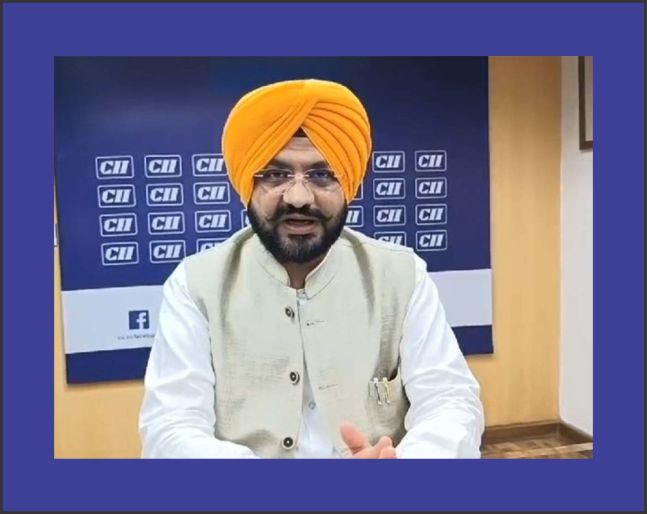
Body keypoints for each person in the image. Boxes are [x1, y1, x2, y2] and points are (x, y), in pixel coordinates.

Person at [139, 78, 484, 459]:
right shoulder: (196, 284)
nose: (299, 197)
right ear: (247, 184)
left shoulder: (402, 276)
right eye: (275, 174)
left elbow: (450, 401)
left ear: (349, 184)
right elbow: (170, 428)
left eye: (322, 175)